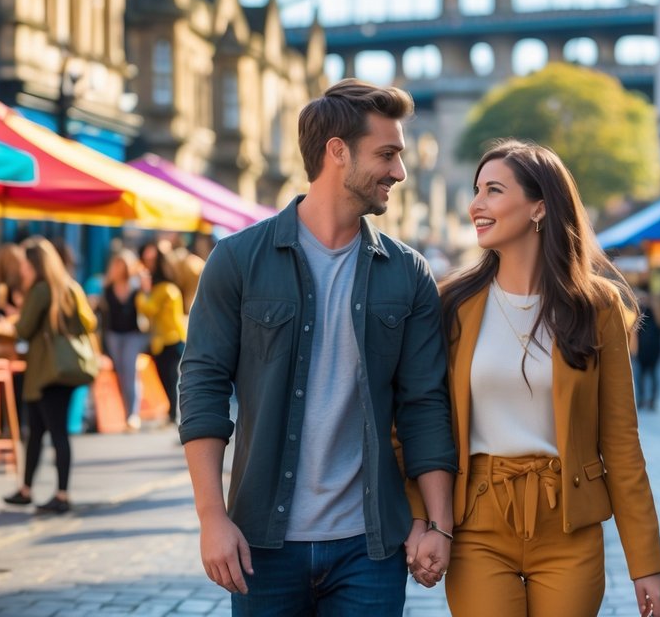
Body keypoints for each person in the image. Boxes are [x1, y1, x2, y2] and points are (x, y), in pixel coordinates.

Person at [179, 79, 457, 614]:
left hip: (369, 550)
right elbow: (202, 389)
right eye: (387, 154)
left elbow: (424, 404)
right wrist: (211, 517)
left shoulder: (408, 273)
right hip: (261, 542)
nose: (399, 171)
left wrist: (437, 524)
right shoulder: (237, 261)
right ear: (337, 151)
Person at [407, 140, 660, 617]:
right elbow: (418, 422)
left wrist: (645, 562)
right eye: (476, 190)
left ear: (539, 208)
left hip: (569, 524)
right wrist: (424, 520)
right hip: (477, 523)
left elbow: (622, 441)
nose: (476, 205)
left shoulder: (597, 306)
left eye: (493, 190)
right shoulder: (451, 305)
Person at [2, 236, 97, 515]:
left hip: (46, 372)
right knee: (44, 433)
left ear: (34, 264)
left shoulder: (41, 290)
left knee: (50, 433)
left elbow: (24, 328)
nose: (22, 270)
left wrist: (15, 313)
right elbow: (89, 322)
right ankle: (29, 489)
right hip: (63, 370)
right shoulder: (70, 287)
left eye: (24, 265)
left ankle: (60, 495)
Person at [137, 241, 187, 425]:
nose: (147, 263)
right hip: (166, 339)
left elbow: (148, 309)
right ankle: (172, 413)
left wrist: (143, 291)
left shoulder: (164, 289)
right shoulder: (168, 288)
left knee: (170, 377)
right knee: (167, 377)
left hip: (170, 339)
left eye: (151, 260)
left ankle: (174, 415)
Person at [100, 250, 148, 431]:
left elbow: (147, 307)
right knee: (120, 373)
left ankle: (132, 414)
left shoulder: (137, 287)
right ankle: (126, 412)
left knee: (130, 370)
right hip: (113, 334)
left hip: (133, 334)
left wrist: (146, 289)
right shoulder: (107, 288)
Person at [633, 290, 660, 411]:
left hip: (653, 350)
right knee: (641, 376)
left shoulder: (656, 313)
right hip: (642, 350)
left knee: (652, 376)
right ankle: (642, 399)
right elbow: (633, 333)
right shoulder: (637, 313)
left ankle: (651, 400)